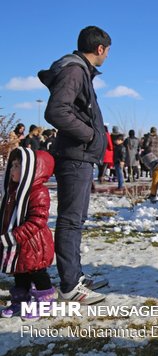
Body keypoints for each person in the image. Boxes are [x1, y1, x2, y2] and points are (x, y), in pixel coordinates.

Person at [39, 25, 110, 303]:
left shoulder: (80, 70)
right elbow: (56, 111)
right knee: (70, 221)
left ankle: (75, 274)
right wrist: (90, 135)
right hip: (75, 156)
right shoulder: (75, 70)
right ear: (100, 49)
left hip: (80, 156)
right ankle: (69, 286)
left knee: (76, 220)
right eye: (108, 51)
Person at [0, 148, 56, 320]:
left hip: (34, 244)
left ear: (32, 170)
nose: (12, 170)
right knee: (20, 272)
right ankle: (20, 301)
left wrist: (14, 236)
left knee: (37, 273)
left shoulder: (38, 192)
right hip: (18, 245)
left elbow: (37, 220)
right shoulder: (11, 192)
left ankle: (46, 303)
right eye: (12, 165)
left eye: (17, 166)